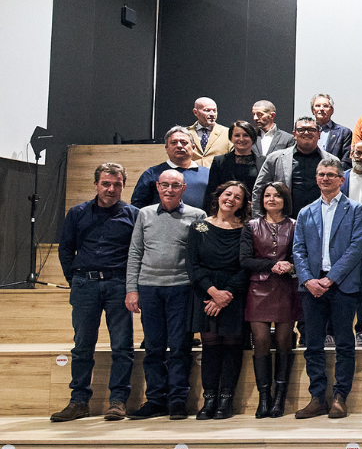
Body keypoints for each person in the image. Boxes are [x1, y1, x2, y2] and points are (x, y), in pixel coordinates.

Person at [51, 163, 138, 422]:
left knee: (122, 346)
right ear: (96, 184)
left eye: (117, 184)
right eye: (106, 184)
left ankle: (118, 401)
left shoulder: (134, 215)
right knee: (82, 347)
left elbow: (137, 253)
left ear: (123, 186)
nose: (111, 189)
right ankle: (78, 402)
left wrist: (131, 286)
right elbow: (66, 249)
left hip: (118, 284)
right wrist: (75, 279)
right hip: (85, 284)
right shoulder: (77, 213)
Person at [125, 169, 208, 419]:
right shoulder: (144, 213)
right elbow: (135, 252)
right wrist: (132, 289)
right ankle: (156, 400)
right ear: (158, 187)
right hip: (149, 288)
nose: (169, 190)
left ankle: (177, 400)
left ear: (184, 188)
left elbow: (202, 254)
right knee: (154, 348)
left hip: (182, 288)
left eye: (175, 185)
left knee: (180, 347)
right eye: (165, 185)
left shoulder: (198, 215)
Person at [290, 160, 362, 420]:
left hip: (342, 285)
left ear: (341, 180)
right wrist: (308, 280)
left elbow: (356, 247)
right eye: (321, 174)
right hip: (312, 286)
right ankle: (317, 398)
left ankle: (339, 397)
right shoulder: (306, 212)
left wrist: (331, 278)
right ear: (316, 178)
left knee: (344, 343)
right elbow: (298, 249)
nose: (325, 178)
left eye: (331, 175)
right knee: (313, 344)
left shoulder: (355, 209)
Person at [187, 180, 251, 420]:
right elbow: (192, 265)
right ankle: (209, 399)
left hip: (234, 293)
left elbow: (245, 266)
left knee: (232, 345)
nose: (231, 199)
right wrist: (213, 292)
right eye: (228, 194)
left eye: (237, 197)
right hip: (206, 293)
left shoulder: (247, 229)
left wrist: (226, 294)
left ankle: (226, 399)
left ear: (242, 204)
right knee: (210, 346)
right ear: (218, 196)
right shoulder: (198, 227)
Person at [241, 182, 301, 419]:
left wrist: (291, 265)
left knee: (285, 341)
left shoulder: (295, 224)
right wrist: (271, 264)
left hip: (286, 288)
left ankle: (279, 399)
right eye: (267, 195)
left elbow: (301, 254)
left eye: (277, 195)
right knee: (261, 341)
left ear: (285, 199)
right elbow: (245, 260)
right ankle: (264, 398)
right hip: (259, 288)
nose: (272, 199)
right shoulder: (251, 226)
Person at [252, 117, 340, 219]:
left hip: (322, 219)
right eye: (301, 130)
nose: (306, 133)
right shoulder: (275, 158)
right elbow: (259, 190)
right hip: (285, 221)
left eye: (311, 130)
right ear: (294, 134)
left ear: (319, 135)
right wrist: (258, 221)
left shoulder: (333, 161)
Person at [131, 127, 209, 210]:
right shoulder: (151, 174)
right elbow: (137, 207)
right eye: (174, 143)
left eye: (184, 142)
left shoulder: (208, 174)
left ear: (193, 148)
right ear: (166, 148)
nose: (179, 146)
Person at [206, 121, 260, 214]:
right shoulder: (219, 161)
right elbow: (212, 191)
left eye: (246, 135)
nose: (241, 139)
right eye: (237, 135)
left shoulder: (263, 162)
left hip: (253, 213)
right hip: (225, 212)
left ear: (253, 138)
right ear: (231, 138)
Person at [186, 97, 231, 166]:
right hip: (191, 172)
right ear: (195, 112)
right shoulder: (185, 133)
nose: (212, 114)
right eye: (207, 110)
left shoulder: (228, 133)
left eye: (214, 110)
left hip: (219, 172)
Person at [311, 94, 353, 162]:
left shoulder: (344, 133)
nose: (321, 109)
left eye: (325, 106)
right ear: (313, 110)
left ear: (332, 110)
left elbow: (346, 161)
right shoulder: (304, 132)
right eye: (318, 106)